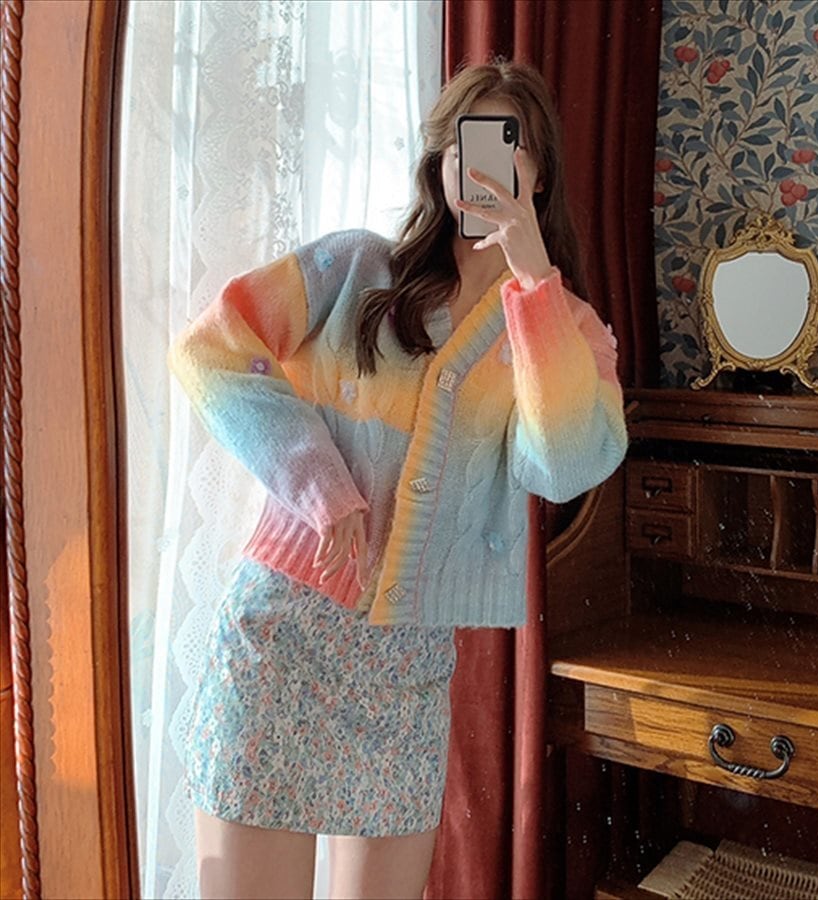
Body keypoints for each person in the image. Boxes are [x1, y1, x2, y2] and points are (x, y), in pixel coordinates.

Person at [169, 59, 627, 900]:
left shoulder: (568, 330)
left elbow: (563, 466)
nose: (483, 164)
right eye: (465, 143)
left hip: (404, 669)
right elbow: (211, 350)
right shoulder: (355, 270)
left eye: (509, 142)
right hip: (280, 638)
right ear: (440, 163)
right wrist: (320, 485)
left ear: (540, 172)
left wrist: (535, 285)